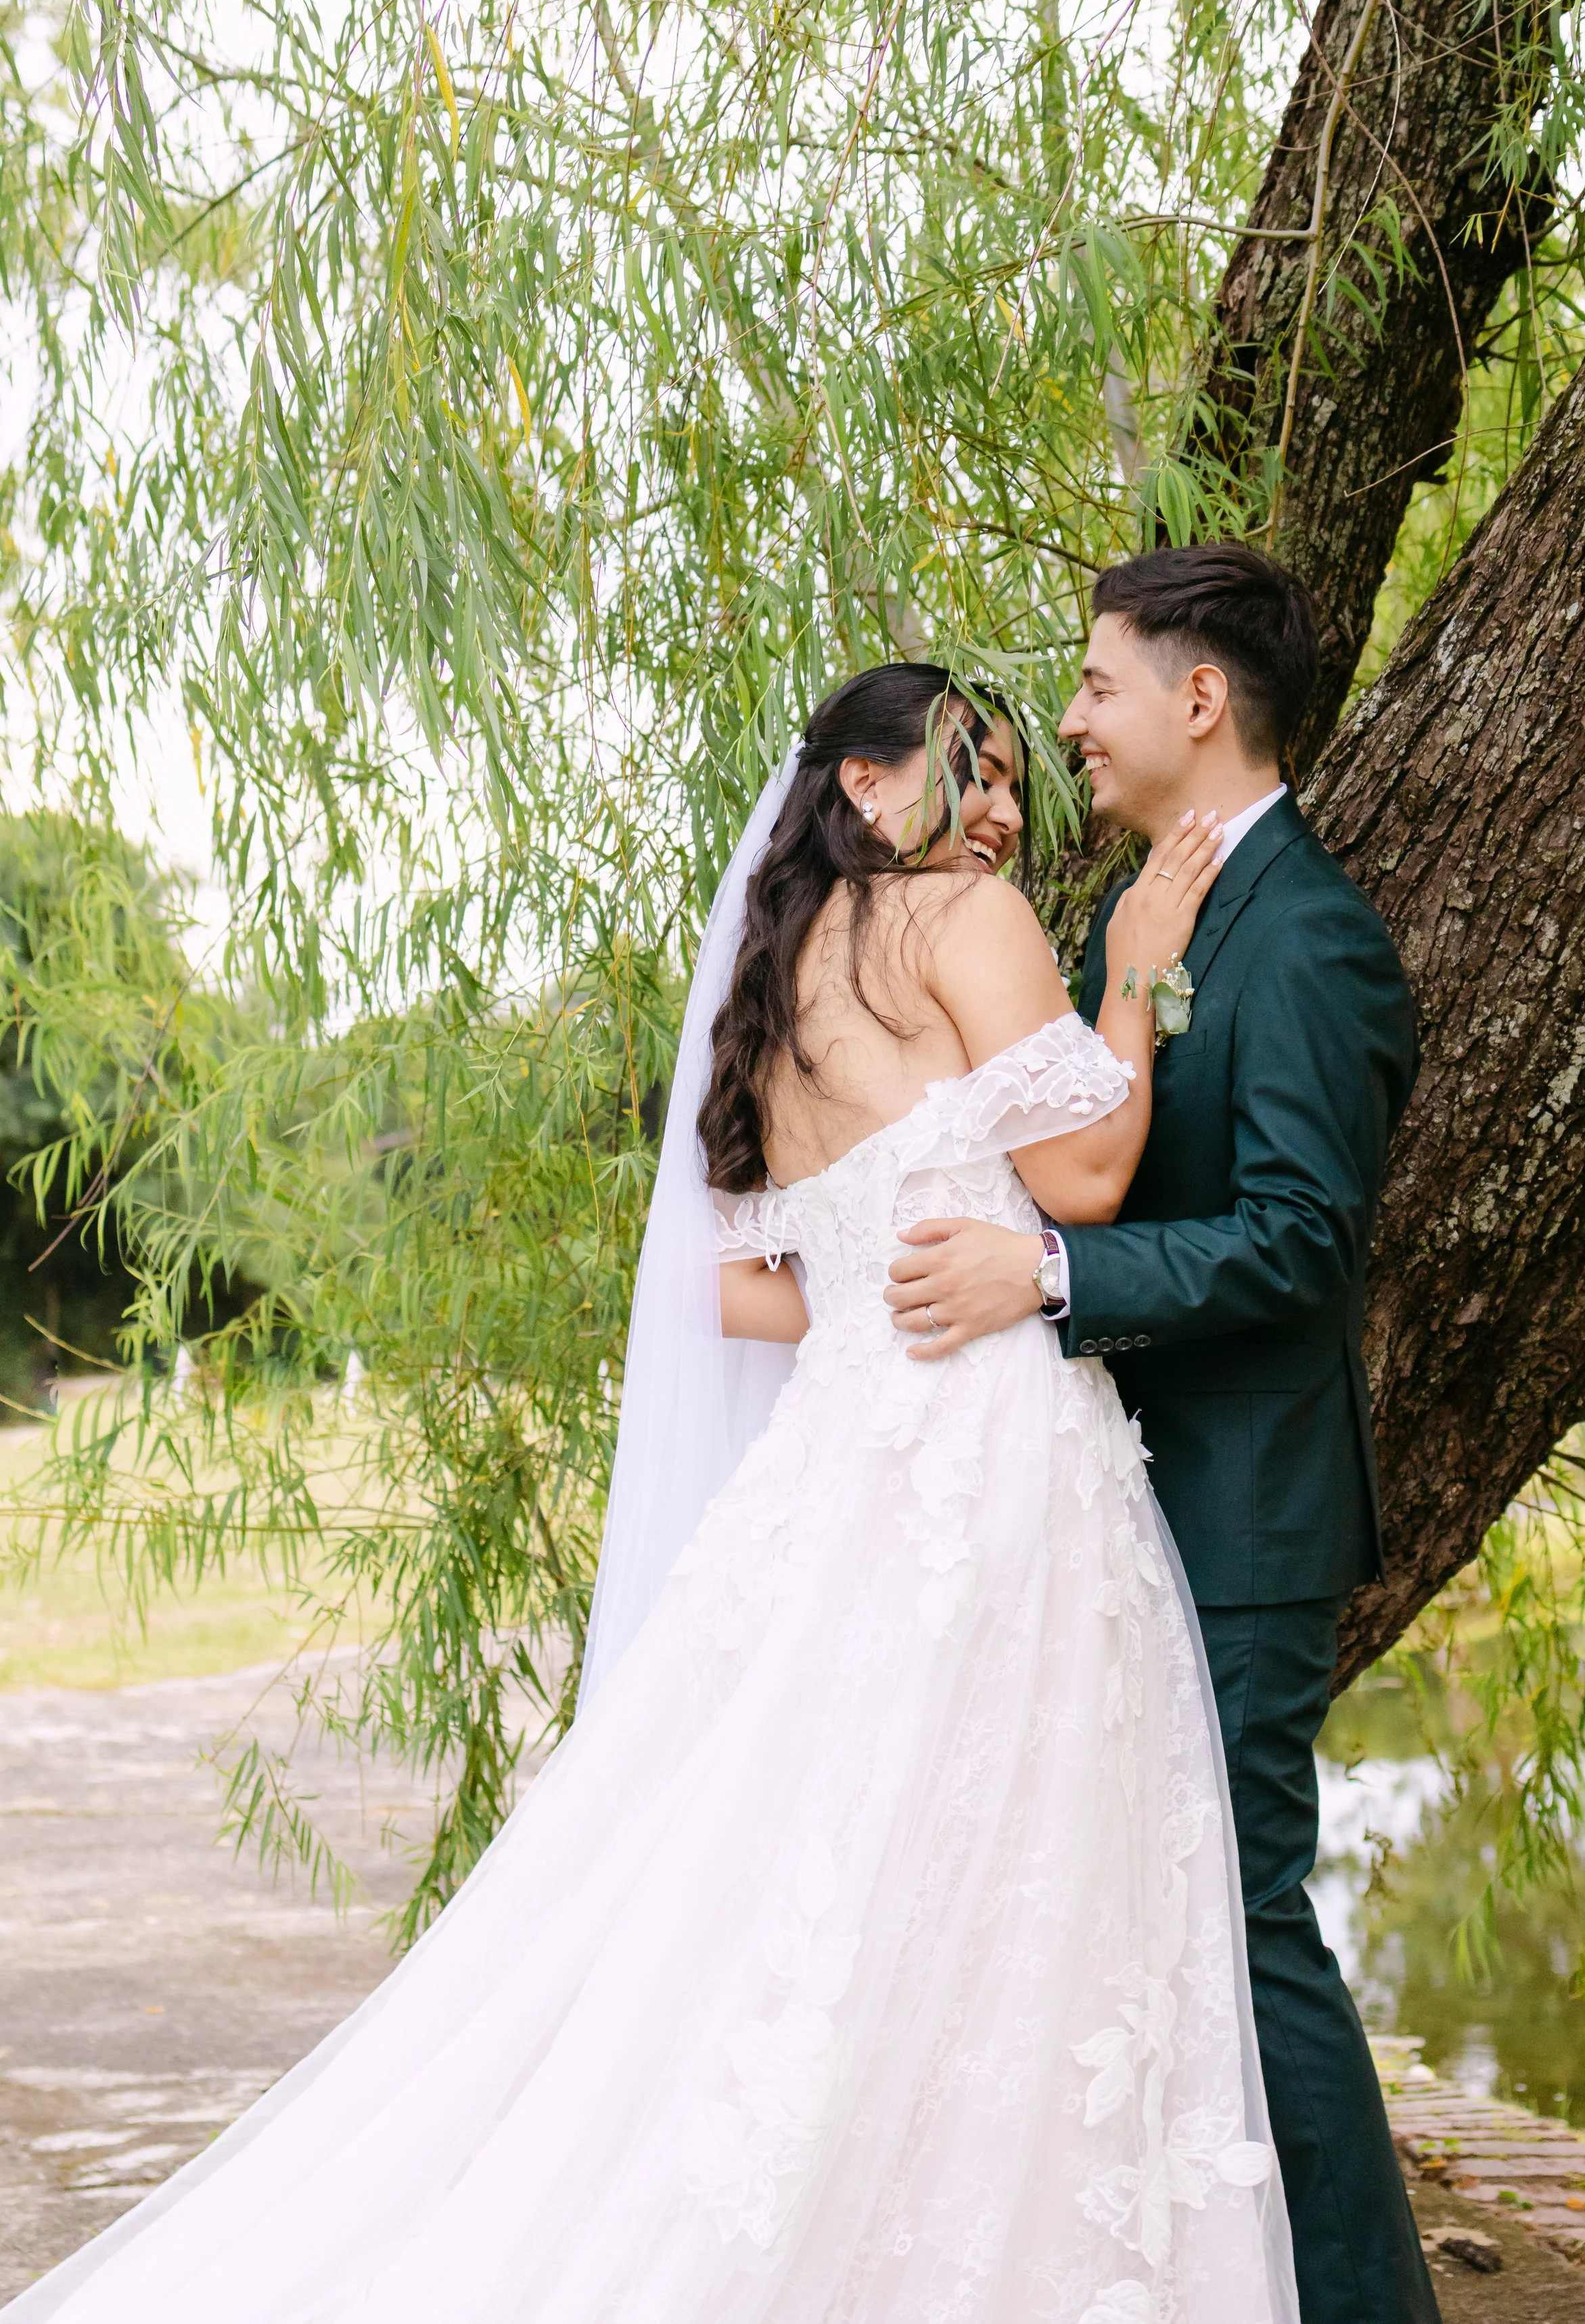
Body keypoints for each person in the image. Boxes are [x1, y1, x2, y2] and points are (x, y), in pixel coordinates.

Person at [11, 664, 1296, 2324]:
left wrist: (885, 1282)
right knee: (995, 1862)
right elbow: (1089, 1177)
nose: (994, 816)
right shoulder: (962, 925)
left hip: (837, 1459)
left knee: (800, 1863)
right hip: (988, 1460)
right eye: (967, 777)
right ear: (858, 784)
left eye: (1006, 789)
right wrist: (1137, 974)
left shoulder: (772, 996)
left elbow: (732, 1287)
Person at [884, 545, 1437, 2324]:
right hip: (1128, 1502)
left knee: (1246, 1918)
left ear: (1200, 699)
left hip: (1247, 1509)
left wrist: (1045, 1268)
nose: (1065, 719)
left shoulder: (1308, 935)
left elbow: (1293, 1238)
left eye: (1097, 682)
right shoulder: (1157, 913)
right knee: (1144, 1921)